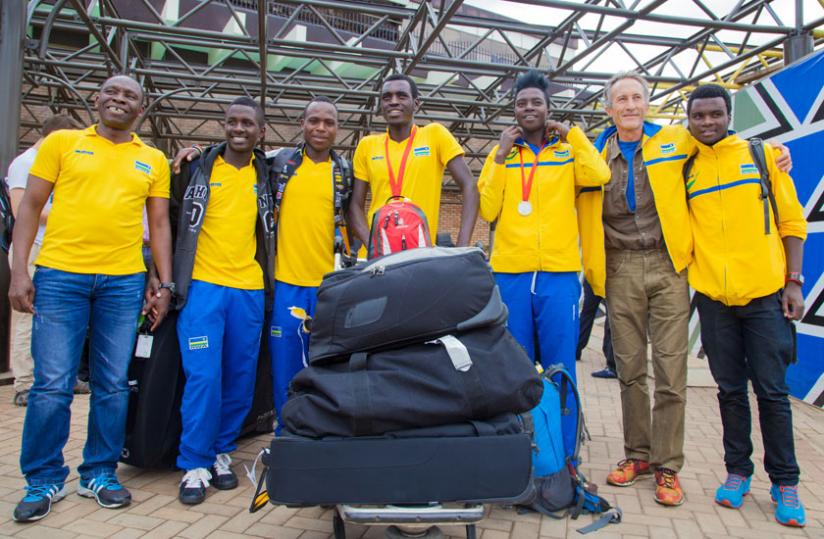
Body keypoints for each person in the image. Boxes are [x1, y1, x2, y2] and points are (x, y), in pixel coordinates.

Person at [582, 72, 793, 507]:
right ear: (608, 108)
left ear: (647, 103)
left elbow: (720, 139)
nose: (630, 105)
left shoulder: (675, 141)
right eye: (620, 99)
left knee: (671, 371)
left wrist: (774, 151)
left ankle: (668, 466)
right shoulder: (595, 152)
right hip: (619, 266)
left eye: (637, 97)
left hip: (668, 265)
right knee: (629, 370)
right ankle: (637, 456)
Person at [9, 74, 173, 522]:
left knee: (113, 384)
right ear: (97, 99)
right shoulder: (62, 143)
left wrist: (165, 282)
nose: (120, 100)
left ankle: (99, 473)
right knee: (52, 384)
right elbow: (28, 206)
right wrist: (20, 270)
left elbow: (159, 225)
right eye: (112, 93)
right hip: (61, 276)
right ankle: (43, 480)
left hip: (122, 281)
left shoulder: (152, 158)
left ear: (142, 108)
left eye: (130, 96)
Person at [685, 84, 807, 527]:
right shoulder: (687, 168)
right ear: (689, 120)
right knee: (729, 391)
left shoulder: (760, 157)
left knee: (772, 393)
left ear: (728, 114)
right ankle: (737, 472)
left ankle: (786, 482)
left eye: (715, 114)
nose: (708, 123)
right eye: (698, 116)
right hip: (715, 300)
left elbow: (792, 220)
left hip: (765, 296)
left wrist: (793, 282)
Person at [478, 69, 611, 458]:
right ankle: (516, 452)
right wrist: (500, 155)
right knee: (514, 366)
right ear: (514, 110)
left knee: (560, 364)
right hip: (511, 274)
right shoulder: (501, 155)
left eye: (536, 102)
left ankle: (563, 454)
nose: (528, 108)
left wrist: (573, 134)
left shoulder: (567, 153)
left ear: (548, 108)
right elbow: (488, 207)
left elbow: (599, 173)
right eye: (521, 103)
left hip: (558, 275)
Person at [170, 96, 274, 505]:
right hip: (203, 287)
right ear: (223, 125)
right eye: (232, 122)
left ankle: (219, 452)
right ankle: (194, 462)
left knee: (240, 378)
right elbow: (166, 214)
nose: (239, 129)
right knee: (204, 376)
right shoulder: (196, 168)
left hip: (248, 289)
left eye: (248, 123)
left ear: (260, 131)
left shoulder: (268, 173)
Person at [266, 96, 353, 430]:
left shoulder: (344, 171)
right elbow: (237, 148)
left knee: (327, 366)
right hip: (286, 284)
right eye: (313, 120)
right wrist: (197, 152)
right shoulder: (279, 163)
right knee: (285, 366)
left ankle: (322, 432)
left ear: (337, 129)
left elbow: (352, 215)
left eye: (328, 122)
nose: (320, 128)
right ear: (301, 124)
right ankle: (285, 431)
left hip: (329, 288)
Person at [347, 73, 478, 247]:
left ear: (416, 103)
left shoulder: (435, 135)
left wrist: (462, 248)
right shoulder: (367, 145)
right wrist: (372, 245)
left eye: (401, 95)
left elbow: (469, 185)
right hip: (378, 261)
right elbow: (355, 205)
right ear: (381, 105)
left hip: (421, 256)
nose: (393, 101)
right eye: (387, 97)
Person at [5, 114, 78, 407]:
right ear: (53, 137)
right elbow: (21, 208)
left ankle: (62, 378)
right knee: (25, 315)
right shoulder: (26, 163)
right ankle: (24, 383)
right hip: (33, 248)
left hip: (58, 249)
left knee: (59, 318)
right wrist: (75, 212)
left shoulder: (55, 163)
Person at [577, 280, 617, 379]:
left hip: (595, 276)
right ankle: (612, 364)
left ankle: (576, 350)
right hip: (609, 277)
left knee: (587, 313)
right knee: (611, 317)